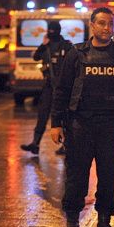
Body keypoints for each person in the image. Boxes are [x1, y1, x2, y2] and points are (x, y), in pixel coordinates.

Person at [50, 7, 114, 227]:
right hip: (79, 124)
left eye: (110, 24)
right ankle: (72, 223)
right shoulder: (77, 54)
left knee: (107, 176)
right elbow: (62, 89)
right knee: (76, 175)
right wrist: (56, 123)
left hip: (109, 126)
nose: (106, 28)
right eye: (101, 23)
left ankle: (104, 225)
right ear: (92, 25)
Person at [21, 21, 72, 155]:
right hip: (48, 86)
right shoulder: (46, 46)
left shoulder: (66, 46)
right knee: (42, 114)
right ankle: (35, 143)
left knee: (64, 116)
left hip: (62, 87)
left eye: (52, 30)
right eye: (49, 30)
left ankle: (66, 145)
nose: (51, 32)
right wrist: (43, 45)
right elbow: (36, 57)